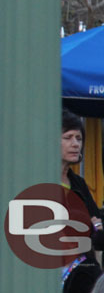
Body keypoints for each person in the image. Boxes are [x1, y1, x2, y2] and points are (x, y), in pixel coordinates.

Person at [60, 111, 104, 291]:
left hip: (84, 273)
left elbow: (99, 235)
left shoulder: (78, 183)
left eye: (79, 138)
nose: (75, 144)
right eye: (68, 137)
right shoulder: (37, 181)